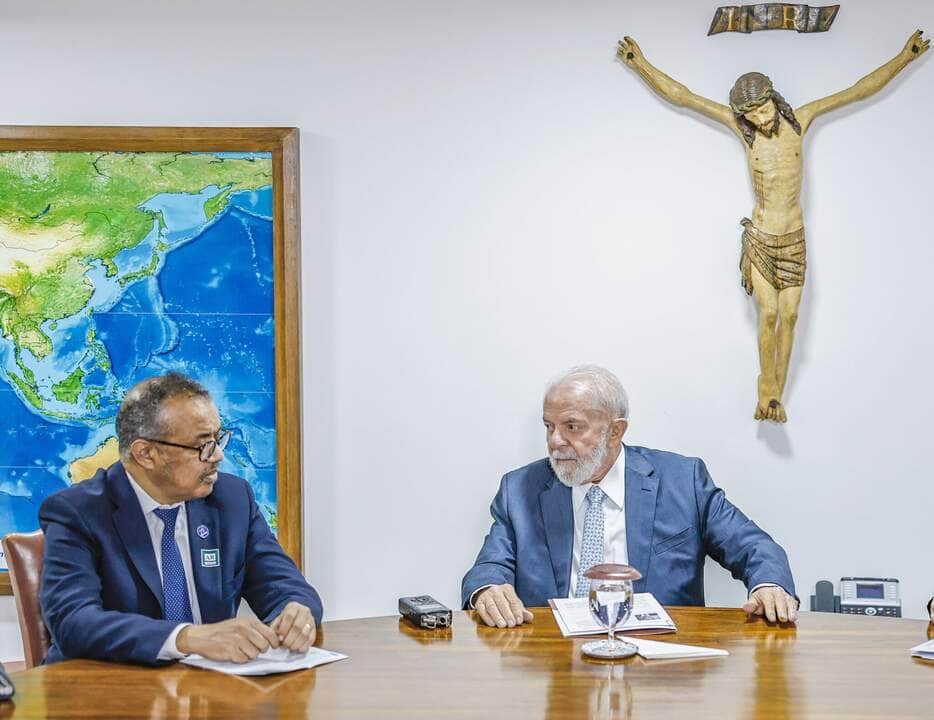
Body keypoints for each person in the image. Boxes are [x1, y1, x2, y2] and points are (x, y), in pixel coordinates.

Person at [616, 32, 929, 422]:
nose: (760, 120)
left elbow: (857, 91)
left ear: (773, 100)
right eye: (751, 115)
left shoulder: (802, 120)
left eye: (763, 110)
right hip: (762, 238)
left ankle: (773, 395)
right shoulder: (743, 131)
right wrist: (640, 63)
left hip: (793, 238)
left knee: (792, 315)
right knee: (767, 315)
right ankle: (768, 390)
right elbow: (684, 96)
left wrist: (904, 57)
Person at [462, 365, 797, 628]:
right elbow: (489, 566)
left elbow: (755, 547)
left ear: (615, 431)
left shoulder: (683, 481)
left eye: (572, 426)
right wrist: (488, 589)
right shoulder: (520, 489)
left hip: (660, 666)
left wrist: (769, 585)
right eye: (549, 426)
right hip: (553, 662)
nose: (555, 441)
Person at [40, 372, 322, 665]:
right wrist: (187, 638)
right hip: (108, 693)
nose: (218, 456)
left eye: (218, 439)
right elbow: (73, 622)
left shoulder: (232, 499)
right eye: (203, 445)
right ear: (146, 454)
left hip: (209, 694)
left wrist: (295, 610)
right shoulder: (76, 512)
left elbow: (282, 583)